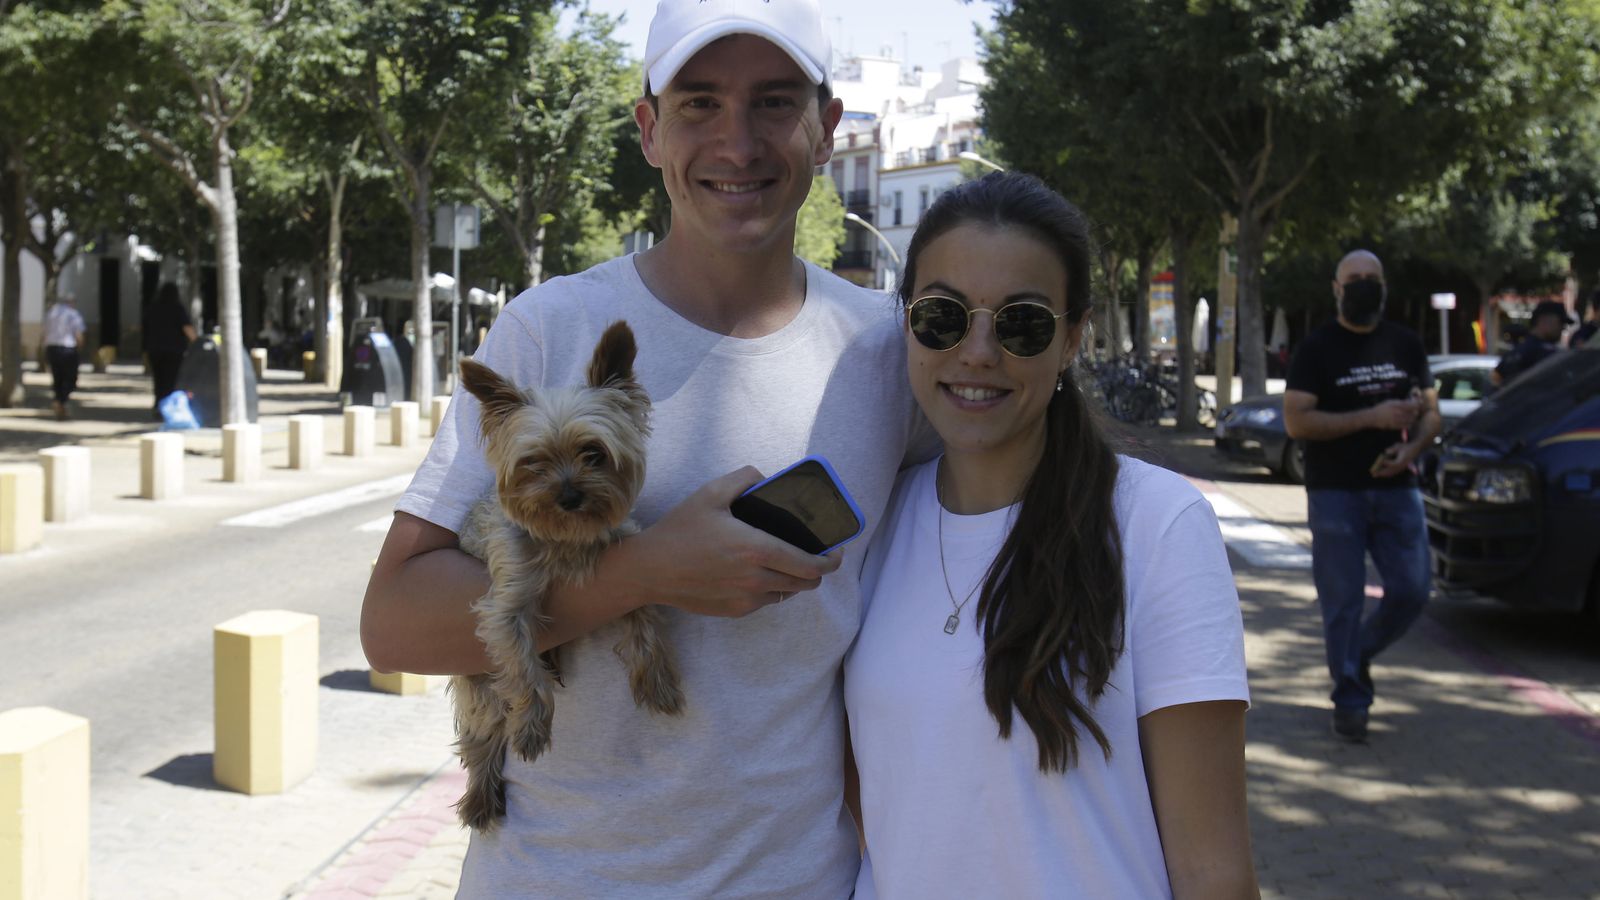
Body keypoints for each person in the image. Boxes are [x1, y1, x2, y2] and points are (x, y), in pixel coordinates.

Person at [361, 1, 933, 895]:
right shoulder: (547, 328)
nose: (737, 144)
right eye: (700, 103)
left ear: (827, 130)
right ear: (650, 130)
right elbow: (393, 623)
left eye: (775, 103)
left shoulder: (891, 353)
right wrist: (642, 572)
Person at [843, 172, 1256, 898]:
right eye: (943, 316)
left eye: (1021, 323)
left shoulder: (1155, 525)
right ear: (905, 320)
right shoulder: (872, 523)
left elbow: (1212, 869)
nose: (977, 351)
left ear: (1071, 339)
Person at [1283, 250, 1441, 742]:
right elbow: (1297, 420)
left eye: (1372, 279)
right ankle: (1351, 698)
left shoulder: (1407, 344)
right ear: (1336, 288)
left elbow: (1432, 415)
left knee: (1414, 588)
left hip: (1397, 488)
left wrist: (1412, 445)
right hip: (1335, 494)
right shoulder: (1317, 349)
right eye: (1354, 280)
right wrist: (1372, 417)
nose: (1363, 286)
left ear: (1385, 287)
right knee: (1343, 601)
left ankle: (1357, 654)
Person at [142, 282, 197, 420]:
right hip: (174, 351)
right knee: (170, 381)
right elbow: (187, 329)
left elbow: (145, 328)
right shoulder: (177, 308)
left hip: (154, 350)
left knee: (158, 380)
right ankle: (167, 408)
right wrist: (196, 342)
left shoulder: (152, 308)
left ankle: (158, 406)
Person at [1493, 299, 1573, 386]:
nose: (1563, 328)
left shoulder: (1517, 350)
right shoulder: (1545, 353)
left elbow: (1496, 381)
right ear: (1543, 320)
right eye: (1560, 323)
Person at [40, 293, 86, 421]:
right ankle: (61, 400)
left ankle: (59, 401)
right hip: (68, 348)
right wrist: (80, 348)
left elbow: (43, 333)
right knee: (71, 377)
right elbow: (78, 334)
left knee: (57, 376)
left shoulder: (51, 313)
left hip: (52, 348)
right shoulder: (73, 314)